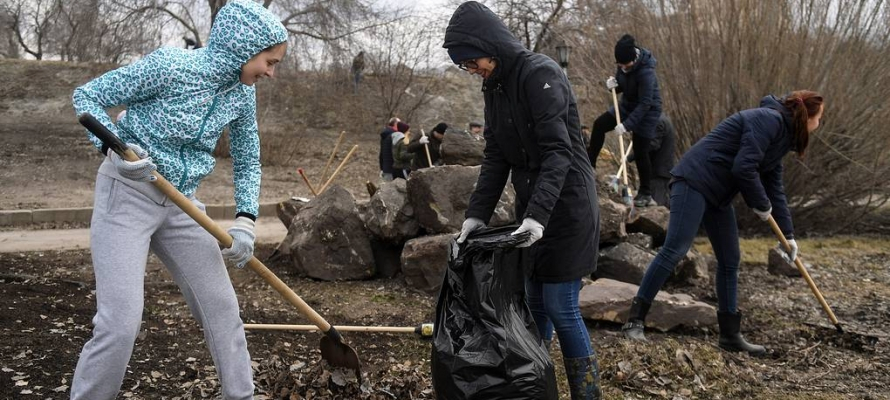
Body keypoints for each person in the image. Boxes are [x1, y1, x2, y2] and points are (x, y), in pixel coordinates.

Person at [69, 1, 287, 399]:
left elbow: (248, 157)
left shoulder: (240, 93)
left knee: (223, 311)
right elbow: (88, 97)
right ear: (243, 49)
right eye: (268, 62)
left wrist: (246, 220)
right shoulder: (170, 67)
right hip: (127, 193)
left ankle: (241, 396)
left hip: (181, 204)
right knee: (119, 324)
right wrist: (114, 150)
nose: (271, 73)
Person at [445, 2, 601, 398]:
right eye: (464, 66)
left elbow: (558, 152)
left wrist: (538, 217)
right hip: (532, 208)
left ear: (489, 45)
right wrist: (476, 217)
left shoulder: (540, 74)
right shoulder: (494, 86)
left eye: (471, 60)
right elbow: (496, 155)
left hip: (567, 205)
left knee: (560, 306)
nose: (471, 69)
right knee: (532, 305)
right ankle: (536, 388)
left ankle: (587, 394)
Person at [621, 91, 824, 356]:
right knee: (675, 249)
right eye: (819, 117)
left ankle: (729, 335)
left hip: (718, 195)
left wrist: (788, 235)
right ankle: (634, 321)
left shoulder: (782, 138)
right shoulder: (768, 120)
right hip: (693, 180)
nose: (820, 123)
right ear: (807, 116)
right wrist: (760, 205)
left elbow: (775, 187)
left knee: (730, 260)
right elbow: (744, 167)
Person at [587, 34, 663, 207]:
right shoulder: (623, 65)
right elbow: (624, 84)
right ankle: (589, 165)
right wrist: (614, 86)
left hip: (648, 111)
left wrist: (627, 125)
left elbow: (645, 103)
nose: (622, 68)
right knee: (599, 125)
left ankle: (645, 193)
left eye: (625, 65)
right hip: (627, 105)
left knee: (640, 149)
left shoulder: (646, 72)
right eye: (619, 65)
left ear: (634, 59)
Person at [627, 115, 676, 207]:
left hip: (659, 172)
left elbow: (652, 145)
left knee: (657, 206)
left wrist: (630, 157)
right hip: (661, 171)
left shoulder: (658, 122)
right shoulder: (661, 119)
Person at [378, 117, 400, 181]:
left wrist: (382, 168)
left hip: (386, 169)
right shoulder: (394, 136)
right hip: (393, 170)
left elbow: (381, 154)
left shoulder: (385, 135)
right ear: (395, 124)